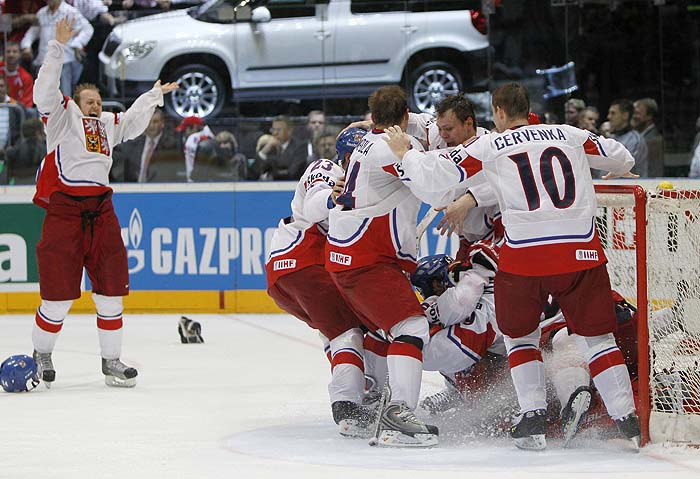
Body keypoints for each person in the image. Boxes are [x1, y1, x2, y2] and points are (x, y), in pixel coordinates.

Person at [383, 82, 641, 451]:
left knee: (521, 337)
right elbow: (618, 153)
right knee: (596, 338)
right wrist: (622, 167)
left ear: (498, 112)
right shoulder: (569, 134)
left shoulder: (492, 144)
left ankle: (532, 417)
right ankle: (627, 420)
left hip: (525, 258)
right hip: (582, 253)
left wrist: (404, 154)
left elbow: (433, 176)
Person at [31, 17, 178, 388]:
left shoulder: (109, 123)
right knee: (57, 298)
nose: (95, 106)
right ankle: (41, 354)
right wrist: (57, 47)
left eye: (98, 101)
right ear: (76, 104)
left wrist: (153, 95)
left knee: (111, 292)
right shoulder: (62, 119)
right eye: (89, 101)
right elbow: (43, 92)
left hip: (102, 209)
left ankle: (111, 360)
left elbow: (132, 121)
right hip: (65, 209)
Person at [326, 85, 439, 447]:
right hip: (366, 257)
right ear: (405, 115)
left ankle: (375, 400)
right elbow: (432, 188)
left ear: (372, 117)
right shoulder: (390, 149)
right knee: (412, 326)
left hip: (349, 252)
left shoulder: (362, 141)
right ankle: (400, 413)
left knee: (383, 330)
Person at [265, 127, 374, 437]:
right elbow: (315, 203)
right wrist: (332, 197)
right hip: (303, 260)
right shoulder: (329, 169)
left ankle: (359, 387)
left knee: (337, 331)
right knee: (347, 332)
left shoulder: (367, 186)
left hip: (291, 273)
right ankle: (347, 405)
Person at [21, 0, 94, 97]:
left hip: (64, 60)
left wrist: (77, 44)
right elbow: (32, 32)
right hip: (44, 61)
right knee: (43, 98)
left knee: (63, 96)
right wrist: (26, 46)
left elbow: (88, 29)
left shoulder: (70, 12)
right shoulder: (41, 13)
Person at [113, 108, 180, 182]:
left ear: (162, 123)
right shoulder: (134, 143)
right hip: (133, 189)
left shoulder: (171, 144)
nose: (151, 126)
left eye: (155, 122)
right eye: (148, 122)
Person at [608, 99, 648, 177]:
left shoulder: (636, 140)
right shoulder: (610, 138)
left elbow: (624, 168)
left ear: (625, 115)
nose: (609, 117)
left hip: (630, 185)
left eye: (613, 113)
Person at [176, 115, 214, 182]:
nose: (183, 133)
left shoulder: (197, 140)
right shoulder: (207, 136)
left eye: (185, 129)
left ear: (194, 127)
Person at [632, 98, 664, 177]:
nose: (633, 117)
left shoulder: (653, 139)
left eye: (637, 113)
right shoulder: (637, 137)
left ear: (649, 116)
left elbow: (654, 170)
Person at [0, 41, 35, 110]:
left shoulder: (26, 77)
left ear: (20, 54)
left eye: (14, 52)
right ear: (4, 54)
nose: (11, 54)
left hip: (16, 112)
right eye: (8, 51)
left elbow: (26, 104)